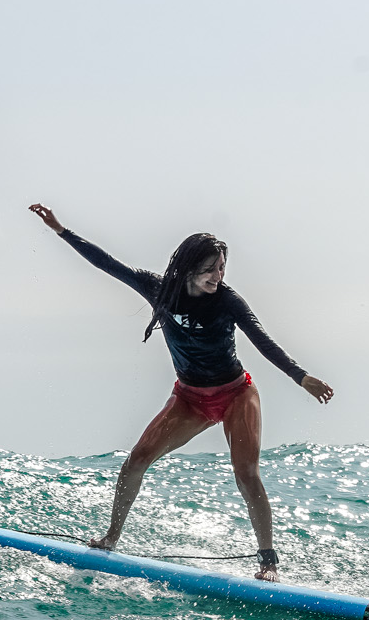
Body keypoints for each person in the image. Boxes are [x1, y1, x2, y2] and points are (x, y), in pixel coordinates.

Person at [29, 203, 334, 580]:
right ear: (190, 269)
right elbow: (105, 263)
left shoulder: (228, 301)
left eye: (222, 268)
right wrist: (61, 230)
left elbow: (262, 339)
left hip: (237, 394)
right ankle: (110, 538)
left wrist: (300, 376)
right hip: (189, 399)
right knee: (136, 461)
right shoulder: (159, 289)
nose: (217, 277)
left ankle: (268, 561)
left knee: (246, 473)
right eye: (210, 270)